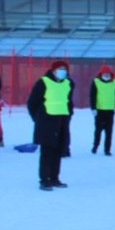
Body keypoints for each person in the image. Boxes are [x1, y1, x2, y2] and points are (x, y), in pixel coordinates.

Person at [27, 61, 74, 190]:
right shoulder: (43, 82)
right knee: (47, 151)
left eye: (65, 69)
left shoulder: (68, 84)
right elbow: (32, 102)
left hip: (62, 120)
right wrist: (38, 118)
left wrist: (69, 114)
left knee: (58, 151)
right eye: (60, 69)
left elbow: (69, 101)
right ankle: (44, 179)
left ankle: (54, 178)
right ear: (53, 70)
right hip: (47, 120)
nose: (63, 71)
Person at [89, 64, 115, 156]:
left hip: (110, 111)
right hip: (99, 110)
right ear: (101, 74)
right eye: (105, 74)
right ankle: (95, 146)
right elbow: (92, 96)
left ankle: (107, 149)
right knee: (98, 130)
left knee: (109, 132)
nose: (106, 75)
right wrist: (93, 108)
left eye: (108, 74)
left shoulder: (114, 82)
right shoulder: (96, 82)